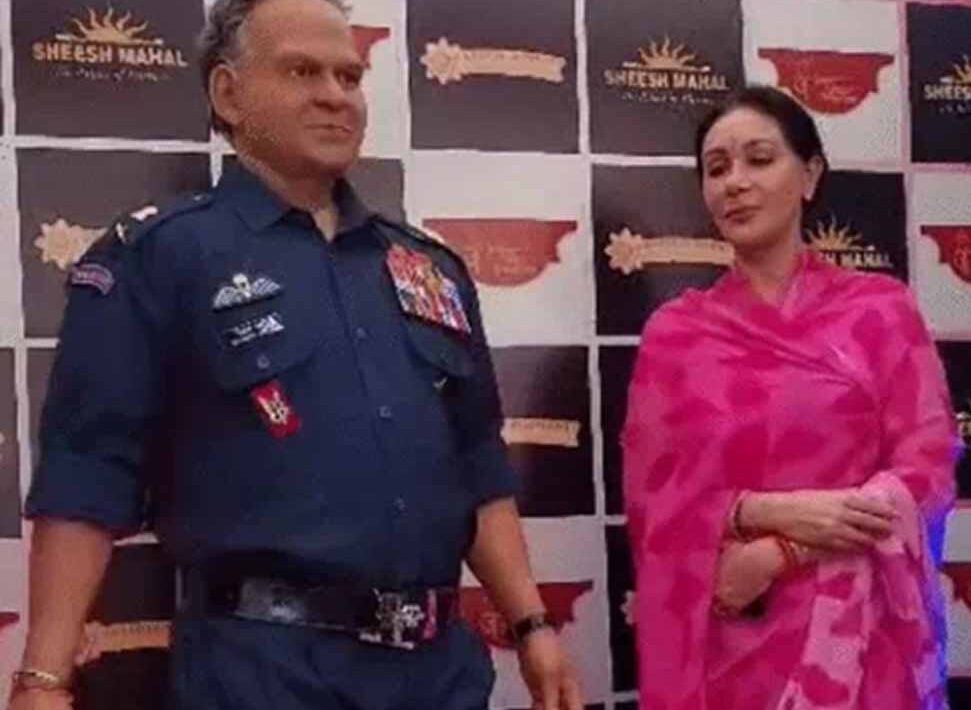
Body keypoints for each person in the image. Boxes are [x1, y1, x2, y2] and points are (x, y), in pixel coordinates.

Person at [8, 1, 583, 709]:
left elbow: (478, 466)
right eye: (302, 71)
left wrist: (531, 624)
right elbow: (87, 473)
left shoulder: (427, 267)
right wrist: (42, 678)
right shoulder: (159, 256)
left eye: (349, 76)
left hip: (439, 677)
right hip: (263, 677)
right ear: (228, 94)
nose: (335, 95)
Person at [622, 86, 960, 710]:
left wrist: (787, 549)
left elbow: (928, 464)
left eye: (759, 159)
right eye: (717, 168)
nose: (735, 182)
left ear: (810, 175)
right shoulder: (676, 337)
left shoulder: (880, 312)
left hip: (866, 653)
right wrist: (758, 511)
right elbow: (654, 503)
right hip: (731, 651)